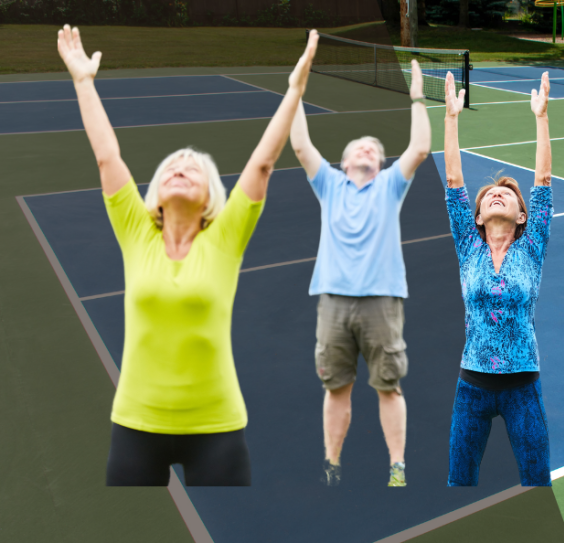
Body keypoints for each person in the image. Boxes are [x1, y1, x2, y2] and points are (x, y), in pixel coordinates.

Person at [55, 24, 320, 486]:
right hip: (136, 425)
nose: (180, 168)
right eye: (171, 167)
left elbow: (262, 162)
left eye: (193, 168)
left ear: (210, 196)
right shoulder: (135, 229)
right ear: (154, 193)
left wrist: (295, 89)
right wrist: (82, 81)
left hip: (217, 428)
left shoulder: (227, 236)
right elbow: (106, 156)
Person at [289, 60, 432, 487]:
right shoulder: (328, 184)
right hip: (332, 300)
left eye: (375, 148)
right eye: (359, 146)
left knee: (388, 387)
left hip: (382, 301)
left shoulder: (391, 185)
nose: (368, 148)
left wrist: (418, 97)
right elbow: (299, 144)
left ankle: (397, 467)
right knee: (336, 388)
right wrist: (296, 89)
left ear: (382, 163)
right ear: (344, 160)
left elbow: (420, 149)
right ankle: (332, 465)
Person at [442, 71, 553, 487]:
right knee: (460, 481)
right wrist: (451, 119)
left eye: (507, 193)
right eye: (489, 194)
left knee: (537, 481)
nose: (496, 193)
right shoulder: (469, 246)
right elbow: (454, 182)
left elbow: (542, 184)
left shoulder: (531, 247)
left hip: (523, 387)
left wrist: (541, 118)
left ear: (522, 216)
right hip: (471, 386)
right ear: (476, 218)